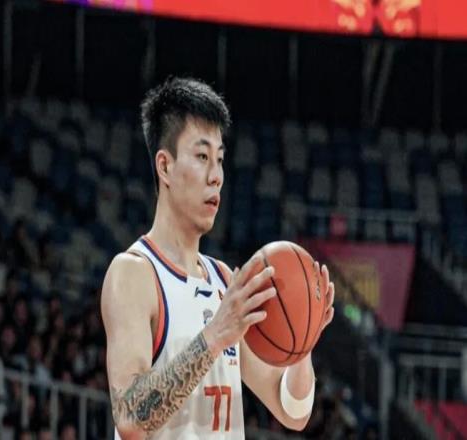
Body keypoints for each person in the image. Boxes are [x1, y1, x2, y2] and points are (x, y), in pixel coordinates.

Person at [101, 77, 335, 439]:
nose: (216, 177)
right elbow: (130, 417)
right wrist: (213, 337)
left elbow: (293, 412)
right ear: (165, 166)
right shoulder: (133, 274)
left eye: (220, 159)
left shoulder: (224, 280)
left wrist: (302, 342)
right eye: (202, 157)